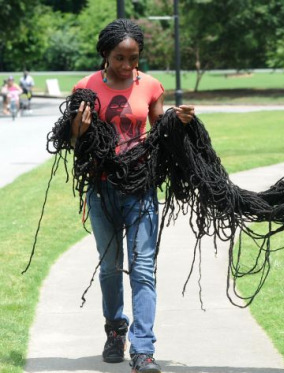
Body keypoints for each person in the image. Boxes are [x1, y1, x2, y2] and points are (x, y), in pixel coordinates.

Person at [71, 19, 194, 373]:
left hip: (139, 188)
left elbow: (159, 132)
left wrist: (177, 122)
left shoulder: (152, 85)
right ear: (105, 55)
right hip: (101, 189)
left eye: (133, 58)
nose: (127, 65)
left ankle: (143, 349)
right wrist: (79, 126)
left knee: (142, 268)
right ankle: (115, 330)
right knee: (109, 268)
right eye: (119, 58)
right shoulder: (86, 87)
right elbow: (74, 141)